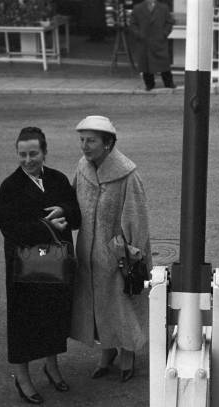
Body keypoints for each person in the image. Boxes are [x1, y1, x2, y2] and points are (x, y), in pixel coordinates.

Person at [0, 127, 81, 405]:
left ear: (45, 152)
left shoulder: (57, 179)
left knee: (53, 316)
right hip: (24, 266)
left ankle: (51, 367)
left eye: (34, 153)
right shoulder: (10, 186)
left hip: (55, 263)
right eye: (22, 154)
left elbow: (76, 214)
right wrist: (46, 225)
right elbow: (9, 227)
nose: (28, 159)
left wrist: (64, 211)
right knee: (24, 322)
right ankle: (23, 379)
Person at [70, 115, 152, 383]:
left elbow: (136, 217)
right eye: (82, 140)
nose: (84, 146)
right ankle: (106, 351)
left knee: (123, 304)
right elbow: (72, 205)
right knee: (96, 304)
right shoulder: (82, 167)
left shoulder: (127, 173)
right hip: (88, 252)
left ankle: (127, 352)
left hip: (118, 254)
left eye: (90, 140)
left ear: (107, 143)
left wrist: (134, 253)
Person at [129, 0, 176, 91]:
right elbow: (132, 24)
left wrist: (164, 33)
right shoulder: (138, 8)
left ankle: (168, 83)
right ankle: (149, 84)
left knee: (164, 63)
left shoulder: (163, 8)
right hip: (144, 41)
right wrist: (139, 34)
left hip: (159, 40)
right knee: (146, 64)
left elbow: (169, 22)